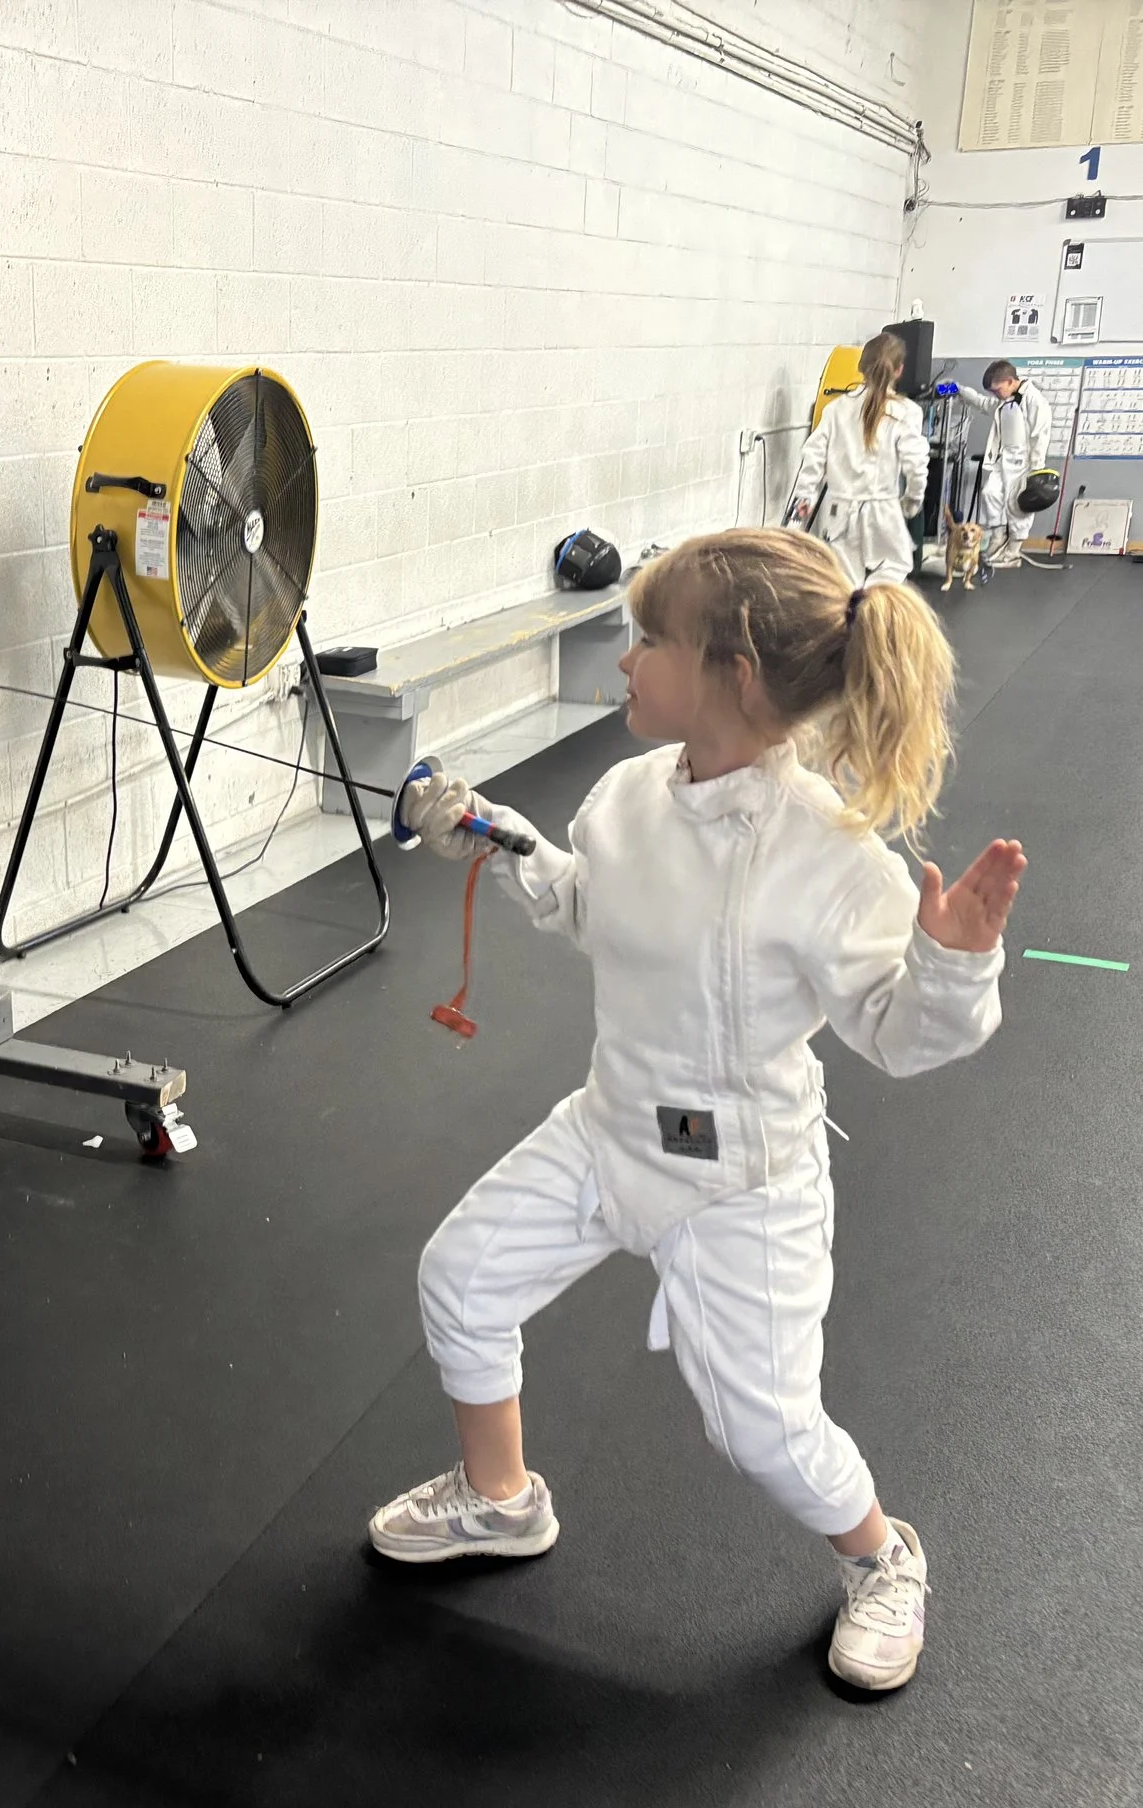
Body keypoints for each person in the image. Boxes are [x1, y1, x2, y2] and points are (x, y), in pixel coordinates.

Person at [371, 529, 1025, 1694]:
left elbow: (896, 1033)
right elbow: (588, 907)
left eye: (647, 641)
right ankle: (499, 1499)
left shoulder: (829, 855)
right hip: (610, 1125)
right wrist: (490, 837)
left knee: (764, 1434)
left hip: (741, 1182)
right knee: (458, 1279)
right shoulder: (627, 793)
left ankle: (884, 1559)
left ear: (730, 671)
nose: (625, 663)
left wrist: (952, 967)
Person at [784, 332, 931, 584]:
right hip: (883, 512)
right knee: (890, 578)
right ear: (899, 370)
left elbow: (811, 466)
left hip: (837, 513)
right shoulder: (907, 412)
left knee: (844, 586)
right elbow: (916, 466)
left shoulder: (835, 409)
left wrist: (794, 523)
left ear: (861, 367)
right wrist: (912, 502)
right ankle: (873, 617)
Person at [956, 361, 1054, 568]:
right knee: (989, 493)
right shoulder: (1004, 401)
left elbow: (1040, 436)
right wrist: (960, 390)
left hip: (1025, 463)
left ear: (1011, 381)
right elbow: (983, 403)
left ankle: (1012, 552)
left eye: (997, 389)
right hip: (1003, 459)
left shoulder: (1035, 401)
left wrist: (1036, 470)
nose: (995, 395)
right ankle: (998, 537)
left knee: (1018, 507)